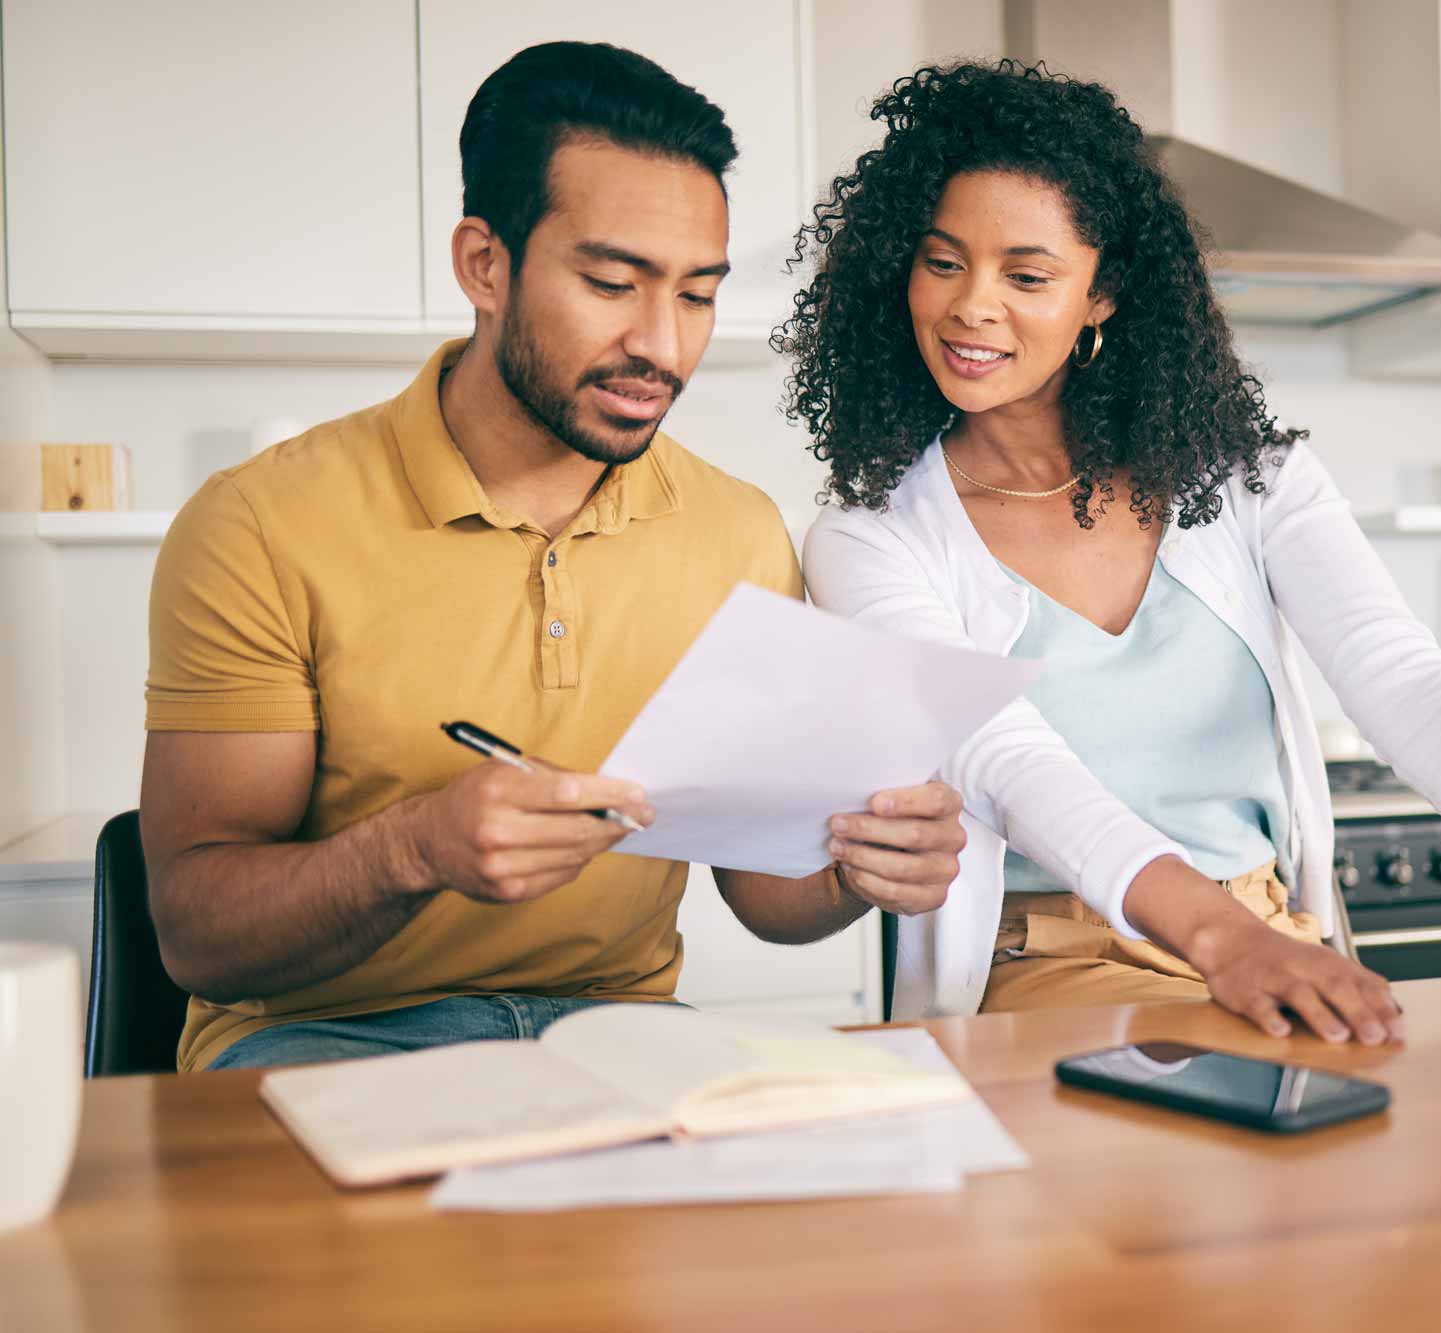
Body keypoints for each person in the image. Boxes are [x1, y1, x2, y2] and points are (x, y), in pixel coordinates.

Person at [780, 60, 1441, 1043]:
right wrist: (1216, 940)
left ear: (1099, 297)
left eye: (1026, 275)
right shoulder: (871, 535)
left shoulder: (1242, 477)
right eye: (941, 262)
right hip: (1053, 971)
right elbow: (1006, 763)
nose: (971, 305)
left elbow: (1398, 673)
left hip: (1271, 939)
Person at [141, 42, 966, 1073]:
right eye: (612, 282)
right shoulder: (259, 524)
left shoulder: (737, 532)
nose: (662, 346)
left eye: (697, 295)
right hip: (323, 1041)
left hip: (623, 1039)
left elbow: (764, 895)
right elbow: (197, 935)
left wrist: (861, 866)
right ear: (484, 264)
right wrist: (414, 849)